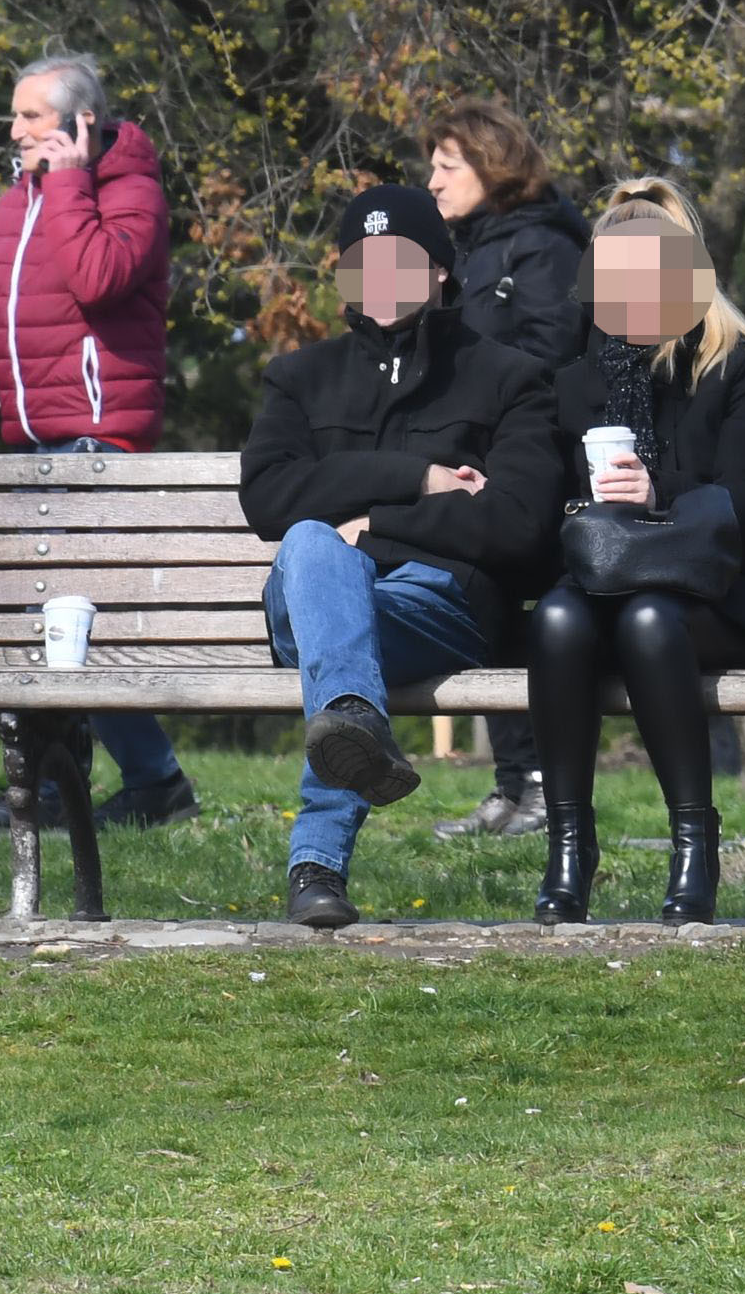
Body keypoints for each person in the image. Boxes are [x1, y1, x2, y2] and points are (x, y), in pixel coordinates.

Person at [239, 184, 561, 929]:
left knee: (336, 621)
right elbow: (269, 499)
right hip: (308, 598)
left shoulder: (507, 377)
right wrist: (419, 482)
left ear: (441, 271)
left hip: (434, 608)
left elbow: (516, 524)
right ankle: (336, 782)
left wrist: (371, 525)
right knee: (314, 543)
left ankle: (318, 865)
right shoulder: (300, 377)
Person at [0, 52, 197, 832]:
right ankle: (103, 781)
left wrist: (70, 182)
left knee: (60, 627)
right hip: (33, 448)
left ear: (80, 122)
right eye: (17, 116)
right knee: (50, 629)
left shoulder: (132, 191)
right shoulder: (15, 204)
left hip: (99, 443)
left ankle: (119, 780)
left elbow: (100, 276)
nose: (15, 130)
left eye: (31, 115)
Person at [527, 180, 745, 925]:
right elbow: (546, 501)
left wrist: (657, 494)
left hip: (717, 593)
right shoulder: (581, 378)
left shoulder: (739, 368)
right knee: (556, 619)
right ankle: (570, 846)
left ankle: (693, 843)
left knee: (649, 619)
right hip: (605, 580)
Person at [424, 102, 592, 841]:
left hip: (543, 472)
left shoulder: (544, 246)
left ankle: (546, 788)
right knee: (480, 600)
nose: (431, 181)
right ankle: (512, 783)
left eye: (447, 165)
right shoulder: (464, 249)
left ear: (492, 167)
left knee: (522, 607)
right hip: (479, 468)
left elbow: (552, 351)